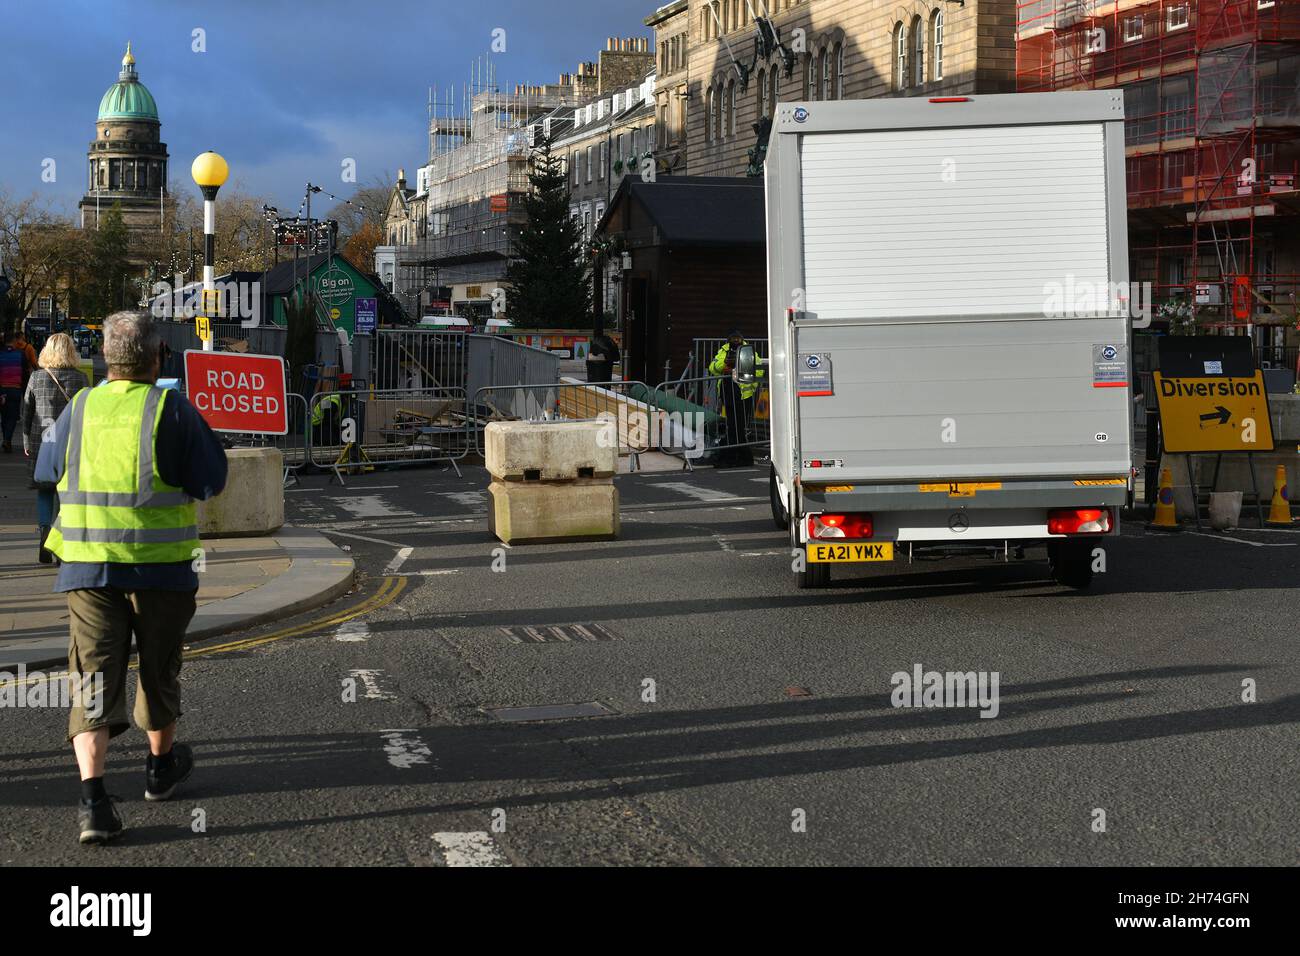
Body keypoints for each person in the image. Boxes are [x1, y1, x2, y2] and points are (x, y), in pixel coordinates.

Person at [36, 310, 228, 845]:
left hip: (88, 567)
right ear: (158, 358)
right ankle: (159, 771)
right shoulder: (172, 409)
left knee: (93, 674)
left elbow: (46, 473)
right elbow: (213, 479)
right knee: (159, 668)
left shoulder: (79, 407)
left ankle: (93, 802)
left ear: (104, 359)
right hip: (161, 570)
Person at [20, 333, 88, 563]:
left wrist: (27, 441)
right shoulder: (80, 380)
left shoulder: (37, 378)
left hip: (42, 442)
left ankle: (44, 531)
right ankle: (59, 542)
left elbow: (26, 411)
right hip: (71, 443)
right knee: (64, 491)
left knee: (44, 490)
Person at [708, 329, 763, 468]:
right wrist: (725, 366)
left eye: (737, 339)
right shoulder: (724, 350)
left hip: (743, 396)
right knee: (732, 427)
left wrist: (740, 368)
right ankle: (741, 457)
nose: (735, 341)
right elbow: (713, 367)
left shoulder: (748, 351)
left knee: (737, 427)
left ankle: (736, 457)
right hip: (727, 394)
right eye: (733, 339)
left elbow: (759, 369)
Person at [1, 330, 32, 453]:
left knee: (4, 416)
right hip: (15, 389)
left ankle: (5, 438)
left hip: (2, 390)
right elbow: (25, 373)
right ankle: (8, 439)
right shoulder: (21, 354)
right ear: (14, 341)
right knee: (13, 416)